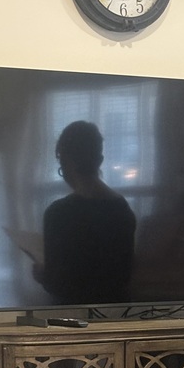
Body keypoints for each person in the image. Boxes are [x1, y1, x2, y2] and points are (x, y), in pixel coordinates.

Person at [33, 121, 136, 306]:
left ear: (65, 161)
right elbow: (123, 277)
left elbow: (58, 284)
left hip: (69, 315)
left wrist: (40, 273)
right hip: (115, 312)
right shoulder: (123, 209)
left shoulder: (58, 214)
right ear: (100, 159)